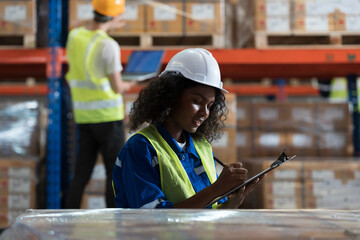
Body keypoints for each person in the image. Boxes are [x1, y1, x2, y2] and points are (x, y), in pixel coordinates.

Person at [112, 48, 263, 209]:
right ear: (171, 96)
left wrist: (231, 203)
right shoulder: (140, 149)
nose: (204, 113)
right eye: (197, 101)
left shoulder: (201, 147)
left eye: (210, 106)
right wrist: (216, 189)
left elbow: (207, 210)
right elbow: (152, 219)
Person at [65, 0, 134, 208]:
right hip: (108, 118)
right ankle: (113, 219)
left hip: (84, 117)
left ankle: (67, 218)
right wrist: (130, 84)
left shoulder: (74, 36)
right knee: (114, 172)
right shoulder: (108, 45)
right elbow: (116, 86)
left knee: (81, 173)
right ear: (113, 18)